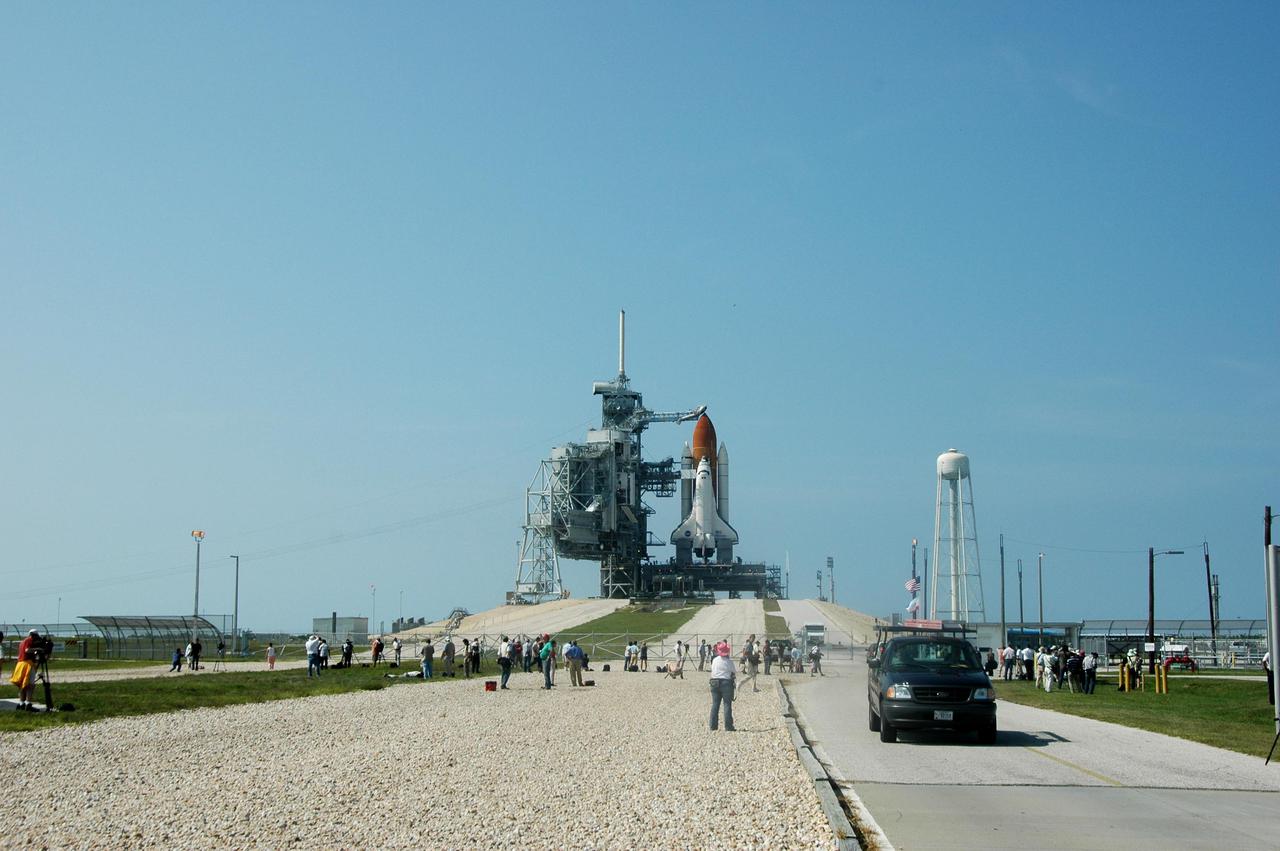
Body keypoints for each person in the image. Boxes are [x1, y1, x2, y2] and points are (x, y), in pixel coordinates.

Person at [709, 641, 736, 732]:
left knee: (715, 704)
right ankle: (728, 726)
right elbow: (733, 672)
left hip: (714, 682)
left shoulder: (715, 660)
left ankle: (713, 725)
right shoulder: (729, 662)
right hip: (726, 682)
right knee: (727, 704)